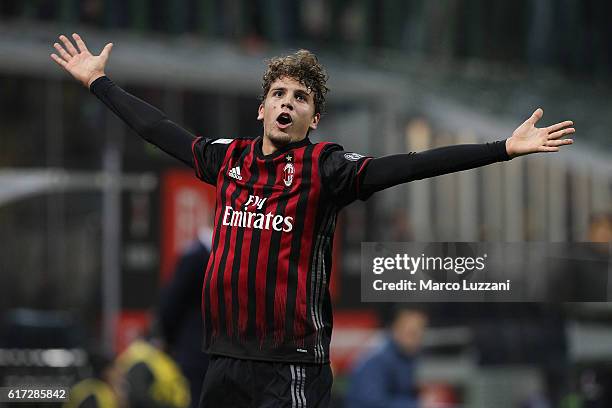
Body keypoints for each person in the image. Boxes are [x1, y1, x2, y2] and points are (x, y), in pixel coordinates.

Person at [50, 33, 575, 407]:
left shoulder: (325, 169)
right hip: (225, 360)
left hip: (292, 365)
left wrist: (501, 148)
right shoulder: (227, 158)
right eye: (278, 94)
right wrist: (98, 82)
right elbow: (158, 128)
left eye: (300, 98)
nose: (287, 103)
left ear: (313, 118)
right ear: (261, 108)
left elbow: (409, 165)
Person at [157, 227, 213, 407]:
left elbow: (171, 304)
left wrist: (171, 340)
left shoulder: (194, 256)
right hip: (224, 352)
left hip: (193, 349)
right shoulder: (233, 255)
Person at [344, 307, 427, 408]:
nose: (416, 339)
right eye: (411, 333)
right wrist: (417, 405)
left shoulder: (408, 357)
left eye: (420, 334)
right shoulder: (376, 359)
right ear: (395, 330)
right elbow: (373, 403)